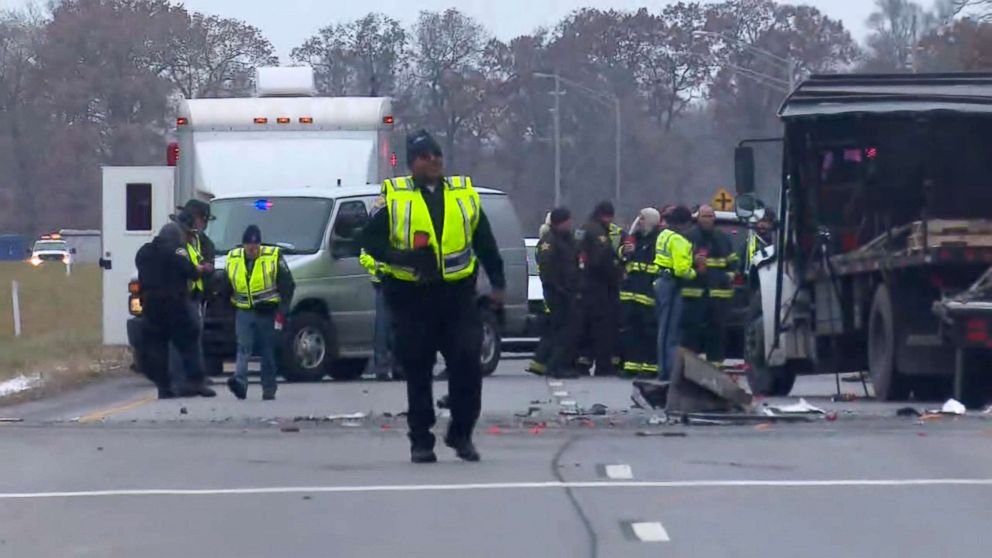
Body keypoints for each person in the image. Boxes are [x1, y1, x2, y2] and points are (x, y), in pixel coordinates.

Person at [359, 130, 506, 464]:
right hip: (412, 298)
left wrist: (497, 282)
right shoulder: (394, 198)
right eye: (426, 156)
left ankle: (461, 432)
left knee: (468, 362)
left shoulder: (462, 196)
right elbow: (368, 242)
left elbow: (484, 241)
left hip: (457, 296)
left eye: (437, 155)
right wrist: (406, 257)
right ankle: (421, 440)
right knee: (418, 370)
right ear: (412, 163)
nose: (434, 161)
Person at [135, 222, 210, 399]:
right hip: (174, 305)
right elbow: (191, 272)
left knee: (158, 348)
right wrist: (201, 269)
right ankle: (195, 382)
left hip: (150, 306)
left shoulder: (144, 252)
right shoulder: (178, 251)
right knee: (189, 342)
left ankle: (164, 388)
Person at [225, 225, 295, 401]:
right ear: (243, 245)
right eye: (249, 246)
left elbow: (288, 285)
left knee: (268, 350)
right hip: (243, 310)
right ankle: (240, 384)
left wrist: (282, 312)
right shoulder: (233, 258)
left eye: (255, 246)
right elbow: (227, 285)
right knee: (243, 348)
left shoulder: (273, 257)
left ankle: (269, 388)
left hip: (268, 311)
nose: (252, 249)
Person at [164, 209, 216, 397]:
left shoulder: (190, 240)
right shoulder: (174, 238)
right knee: (182, 342)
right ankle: (184, 383)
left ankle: (188, 381)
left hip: (187, 296)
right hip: (179, 298)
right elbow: (181, 265)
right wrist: (198, 269)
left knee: (187, 341)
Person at [681, 205, 738, 365]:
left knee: (717, 333)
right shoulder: (688, 238)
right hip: (693, 296)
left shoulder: (723, 238)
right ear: (697, 218)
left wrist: (729, 276)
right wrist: (692, 262)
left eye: (710, 216)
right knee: (690, 334)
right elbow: (679, 263)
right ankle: (688, 367)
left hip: (718, 297)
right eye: (704, 216)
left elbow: (733, 262)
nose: (708, 220)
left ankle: (716, 366)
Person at [530, 207, 581, 379]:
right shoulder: (549, 241)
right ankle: (556, 366)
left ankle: (553, 363)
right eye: (568, 221)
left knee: (563, 329)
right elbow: (547, 268)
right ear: (561, 222)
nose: (570, 224)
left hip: (567, 292)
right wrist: (559, 288)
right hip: (556, 294)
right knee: (562, 330)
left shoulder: (566, 240)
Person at [577, 201, 623, 376]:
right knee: (603, 327)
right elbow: (601, 259)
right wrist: (616, 273)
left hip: (583, 285)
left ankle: (583, 361)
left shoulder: (582, 229)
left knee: (585, 326)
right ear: (606, 215)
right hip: (599, 287)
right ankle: (604, 365)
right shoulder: (598, 232)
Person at [619, 207, 663, 377]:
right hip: (631, 293)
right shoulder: (634, 238)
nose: (639, 221)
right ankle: (632, 365)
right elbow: (622, 258)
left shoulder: (658, 239)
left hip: (648, 293)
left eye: (642, 218)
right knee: (631, 331)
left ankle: (650, 367)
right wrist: (624, 251)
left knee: (649, 332)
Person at [655, 205, 696, 381]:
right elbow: (681, 270)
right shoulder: (679, 240)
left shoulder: (664, 235)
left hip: (662, 282)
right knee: (671, 331)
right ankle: (669, 370)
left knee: (664, 329)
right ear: (683, 223)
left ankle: (663, 368)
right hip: (673, 284)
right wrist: (694, 273)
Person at [360, 248, 395, 381]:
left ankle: (395, 366)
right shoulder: (376, 231)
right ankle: (382, 366)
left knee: (395, 325)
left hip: (397, 280)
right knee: (383, 326)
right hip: (383, 283)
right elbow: (364, 256)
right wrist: (379, 269)